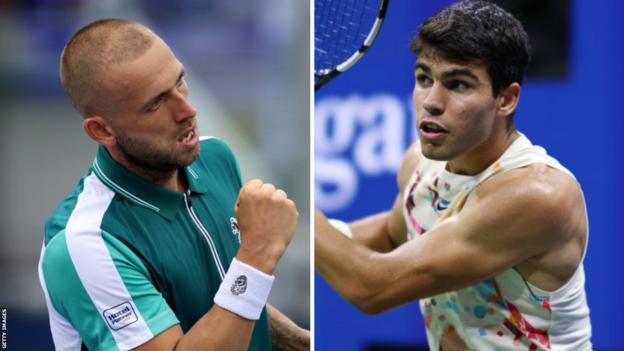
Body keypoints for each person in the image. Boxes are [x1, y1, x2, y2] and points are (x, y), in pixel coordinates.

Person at [315, 1, 591, 350]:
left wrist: (306, 220)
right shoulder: (418, 163)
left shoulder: (537, 194)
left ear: (506, 99)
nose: (431, 100)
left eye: (457, 84)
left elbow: (372, 287)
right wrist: (297, 225)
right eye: (423, 78)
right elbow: (395, 231)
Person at [38, 19, 309, 351]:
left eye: (180, 81)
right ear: (102, 131)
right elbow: (243, 284)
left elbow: (226, 295)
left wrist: (301, 342)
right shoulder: (83, 243)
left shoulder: (215, 157)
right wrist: (259, 254)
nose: (187, 109)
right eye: (155, 104)